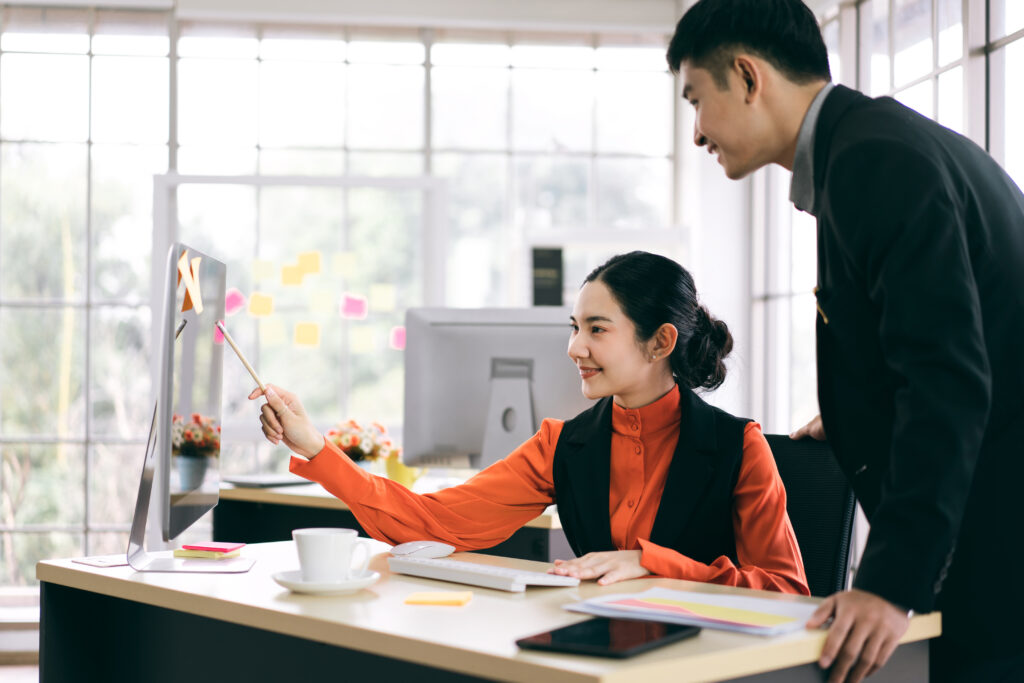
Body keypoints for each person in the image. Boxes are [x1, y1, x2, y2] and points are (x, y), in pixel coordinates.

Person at [667, 1, 1024, 682]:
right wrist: (866, 412)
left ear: (747, 76)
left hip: (997, 548)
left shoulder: (873, 163)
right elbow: (958, 335)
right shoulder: (873, 146)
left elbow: (947, 381)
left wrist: (891, 584)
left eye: (696, 99)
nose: (696, 133)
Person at [250, 251, 809, 593]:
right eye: (574, 327)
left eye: (596, 329)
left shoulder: (739, 447)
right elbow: (436, 524)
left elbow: (786, 590)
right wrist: (317, 449)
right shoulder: (563, 445)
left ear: (661, 341)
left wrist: (653, 564)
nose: (573, 347)